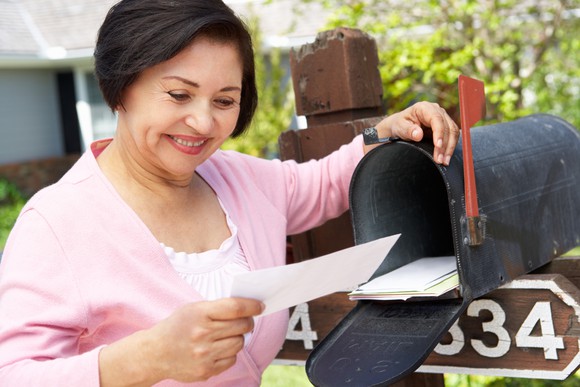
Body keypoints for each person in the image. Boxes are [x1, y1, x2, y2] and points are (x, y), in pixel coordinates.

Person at [0, 0, 459, 385]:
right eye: (179, 95)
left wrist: (386, 133)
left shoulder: (238, 179)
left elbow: (321, 184)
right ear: (121, 87)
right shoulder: (57, 223)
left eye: (224, 100)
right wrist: (144, 357)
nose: (203, 123)